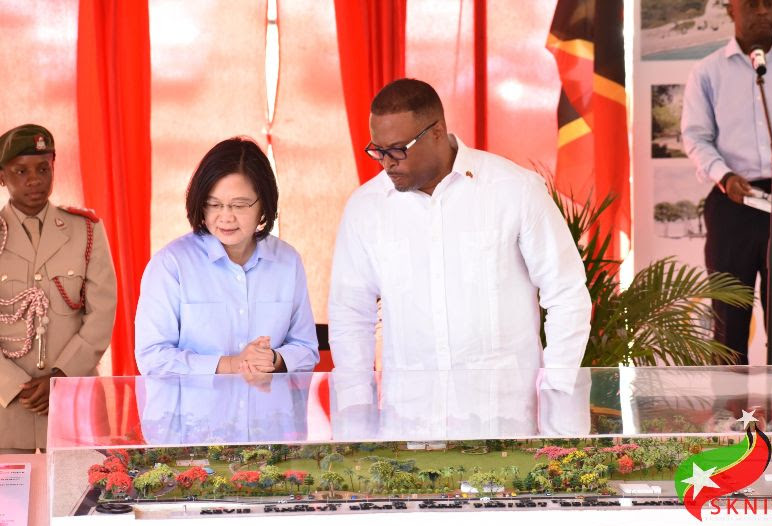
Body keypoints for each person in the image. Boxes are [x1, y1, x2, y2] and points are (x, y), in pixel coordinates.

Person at [328, 79, 592, 395]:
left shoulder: (514, 190)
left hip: (505, 409)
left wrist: (557, 390)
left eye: (397, 150)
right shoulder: (366, 208)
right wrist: (356, 401)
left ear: (437, 132)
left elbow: (566, 292)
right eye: (378, 151)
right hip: (411, 412)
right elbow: (350, 312)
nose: (387, 163)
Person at [135, 137, 319, 377]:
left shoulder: (287, 261)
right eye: (213, 205)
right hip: (196, 402)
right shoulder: (171, 264)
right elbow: (152, 358)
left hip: (266, 400)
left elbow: (306, 349)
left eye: (239, 205)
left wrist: (272, 359)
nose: (226, 217)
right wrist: (232, 365)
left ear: (264, 204)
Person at [682, 0, 772, 365]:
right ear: (731, 10)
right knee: (728, 319)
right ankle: (731, 403)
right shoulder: (707, 71)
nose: (762, 11)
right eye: (751, 3)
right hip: (733, 202)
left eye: (770, 3)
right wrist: (724, 175)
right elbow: (695, 137)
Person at [0, 124, 117, 453]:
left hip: (74, 401)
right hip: (8, 405)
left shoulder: (86, 230)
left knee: (82, 483)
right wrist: (13, 385)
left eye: (43, 168)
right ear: (2, 176)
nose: (34, 179)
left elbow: (102, 312)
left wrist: (62, 377)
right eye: (21, 171)